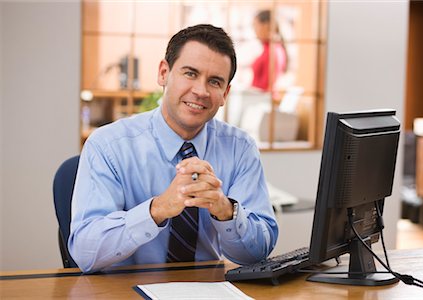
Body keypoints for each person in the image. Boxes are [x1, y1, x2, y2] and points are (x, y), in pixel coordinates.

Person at [69, 24, 279, 273]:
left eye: (214, 81)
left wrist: (226, 211)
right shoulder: (107, 145)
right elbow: (85, 252)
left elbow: (257, 254)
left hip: (208, 290)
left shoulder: (240, 149)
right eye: (190, 73)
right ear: (163, 73)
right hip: (124, 291)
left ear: (225, 93)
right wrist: (157, 209)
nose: (200, 91)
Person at [251, 10, 288, 92]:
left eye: (255, 26)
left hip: (261, 100)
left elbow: (265, 86)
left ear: (266, 26)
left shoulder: (272, 51)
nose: (254, 31)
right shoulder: (274, 48)